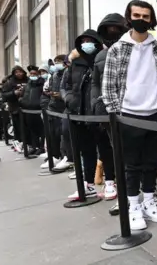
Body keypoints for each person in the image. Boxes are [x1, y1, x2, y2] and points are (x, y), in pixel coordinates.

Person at [102, 0, 157, 230]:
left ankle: (149, 201)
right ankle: (133, 205)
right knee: (131, 165)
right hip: (129, 116)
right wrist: (116, 112)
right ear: (129, 17)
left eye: (145, 16)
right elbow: (109, 85)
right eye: (136, 15)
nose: (141, 20)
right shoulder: (117, 49)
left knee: (152, 163)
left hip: (156, 114)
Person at [62, 28, 116, 201]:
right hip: (80, 114)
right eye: (83, 41)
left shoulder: (103, 59)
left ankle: (110, 182)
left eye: (89, 40)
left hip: (99, 114)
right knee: (86, 152)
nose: (86, 44)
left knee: (106, 149)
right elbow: (66, 86)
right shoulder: (75, 64)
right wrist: (69, 99)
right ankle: (88, 185)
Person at [90, 13, 129, 213]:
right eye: (108, 30)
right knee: (118, 155)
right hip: (109, 113)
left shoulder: (132, 49)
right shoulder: (99, 56)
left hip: (132, 110)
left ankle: (148, 193)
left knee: (138, 156)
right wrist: (96, 103)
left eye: (117, 29)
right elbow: (96, 83)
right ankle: (126, 197)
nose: (112, 33)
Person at [47, 55, 72, 172]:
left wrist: (62, 96)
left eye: (59, 61)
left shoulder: (68, 72)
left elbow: (70, 91)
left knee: (65, 135)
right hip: (54, 108)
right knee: (55, 134)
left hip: (65, 108)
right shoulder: (54, 76)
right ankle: (58, 156)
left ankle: (67, 158)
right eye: (55, 61)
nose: (56, 64)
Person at [20, 65, 46, 156]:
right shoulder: (27, 85)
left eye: (34, 73)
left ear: (38, 75)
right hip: (28, 111)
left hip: (38, 111)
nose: (32, 75)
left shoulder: (42, 84)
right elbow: (23, 95)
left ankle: (42, 147)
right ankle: (35, 146)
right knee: (32, 130)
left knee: (41, 130)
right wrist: (22, 101)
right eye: (31, 74)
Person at [1, 66, 28, 152]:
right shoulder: (9, 83)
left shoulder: (27, 80)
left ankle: (28, 143)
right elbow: (4, 95)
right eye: (16, 72)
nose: (19, 74)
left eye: (20, 72)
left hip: (27, 107)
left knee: (27, 127)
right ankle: (19, 142)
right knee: (17, 127)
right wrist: (14, 93)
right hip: (15, 108)